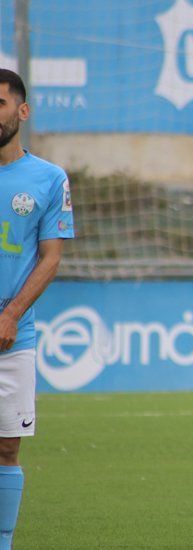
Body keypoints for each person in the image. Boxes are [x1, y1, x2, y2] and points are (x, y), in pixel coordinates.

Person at [0, 69, 75, 550]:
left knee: (7, 447)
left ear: (21, 111)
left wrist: (10, 315)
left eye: (0, 103)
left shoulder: (48, 178)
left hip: (12, 335)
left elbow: (51, 256)